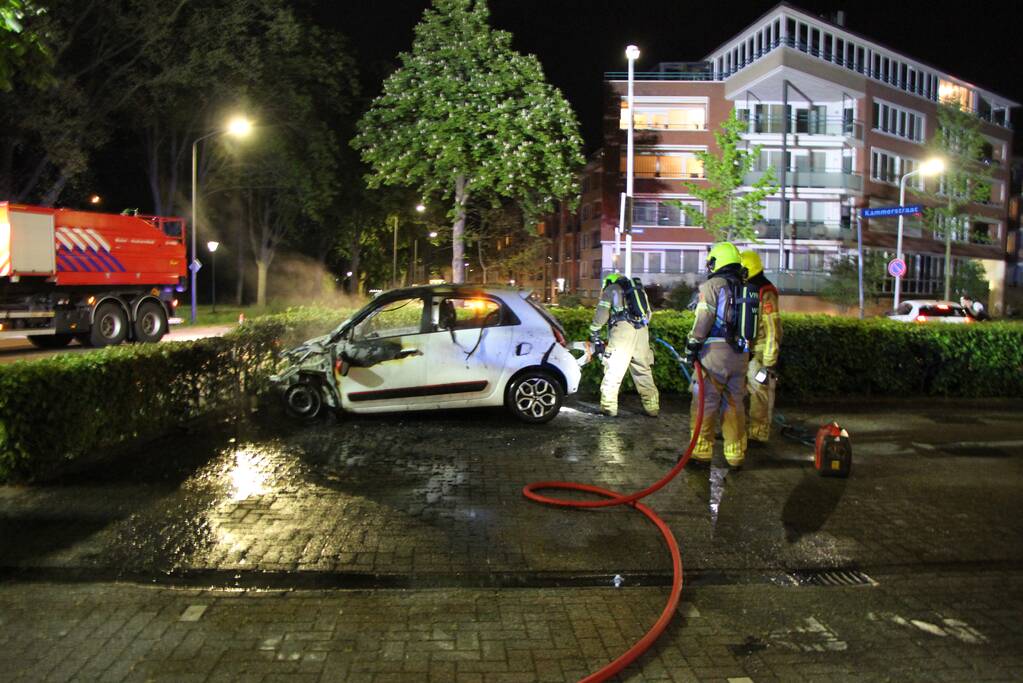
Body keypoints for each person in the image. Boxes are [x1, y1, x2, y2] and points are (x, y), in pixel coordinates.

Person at [684, 242, 749, 469]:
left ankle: (701, 453)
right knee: (735, 404)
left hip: (714, 355)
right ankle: (735, 454)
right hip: (741, 356)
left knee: (706, 401)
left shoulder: (712, 286)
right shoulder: (746, 288)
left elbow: (703, 321)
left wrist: (692, 345)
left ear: (717, 262)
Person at [588, 272, 659, 418]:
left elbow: (601, 314)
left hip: (622, 333)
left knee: (614, 370)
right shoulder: (639, 291)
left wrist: (594, 330)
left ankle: (609, 408)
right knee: (643, 370)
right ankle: (652, 408)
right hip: (641, 332)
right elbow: (649, 315)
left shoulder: (611, 289)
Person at [740, 250, 782, 444]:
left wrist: (769, 361)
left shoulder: (766, 292)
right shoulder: (746, 288)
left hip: (759, 354)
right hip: (744, 351)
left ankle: (758, 433)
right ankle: (741, 430)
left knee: (759, 393)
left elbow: (773, 327)